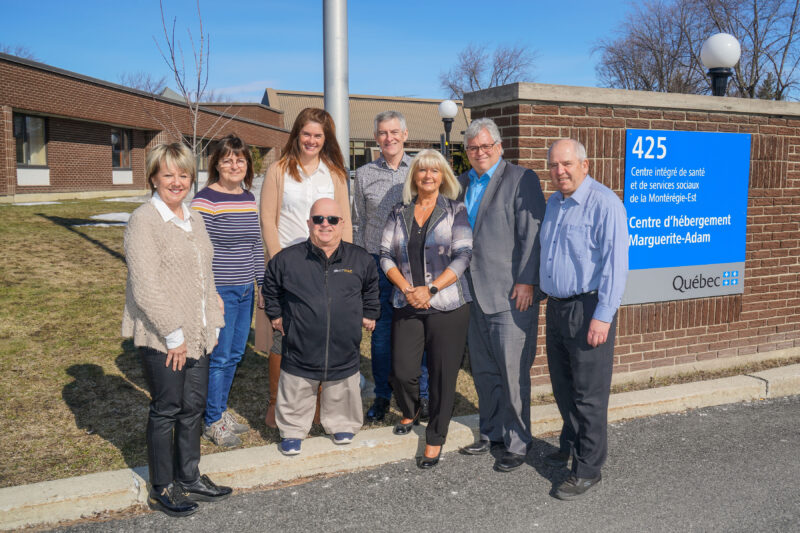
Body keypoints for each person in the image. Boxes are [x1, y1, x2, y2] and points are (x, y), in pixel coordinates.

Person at [122, 142, 231, 517]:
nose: (176, 181)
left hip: (198, 333)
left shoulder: (194, 217)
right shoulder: (144, 220)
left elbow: (207, 276)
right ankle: (162, 485)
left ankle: (189, 476)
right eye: (168, 174)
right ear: (153, 177)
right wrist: (174, 335)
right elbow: (145, 286)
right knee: (167, 408)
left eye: (183, 174)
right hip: (162, 336)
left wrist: (212, 325)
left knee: (193, 407)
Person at [540, 138, 628, 500]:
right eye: (554, 165)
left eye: (567, 164)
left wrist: (603, 317)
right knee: (563, 387)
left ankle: (589, 468)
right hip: (558, 308)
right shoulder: (554, 204)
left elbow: (615, 266)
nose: (560, 171)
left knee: (588, 394)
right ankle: (574, 444)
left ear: (584, 165)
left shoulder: (605, 204)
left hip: (588, 308)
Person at [456, 118, 546, 472]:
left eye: (486, 146)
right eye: (473, 148)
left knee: (513, 373)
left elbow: (532, 234)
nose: (480, 153)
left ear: (499, 146)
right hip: (472, 294)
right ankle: (491, 432)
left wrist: (527, 281)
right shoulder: (461, 182)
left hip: (511, 294)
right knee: (485, 371)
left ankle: (518, 442)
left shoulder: (521, 179)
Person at [262, 198, 379, 455]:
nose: (325, 224)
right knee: (297, 385)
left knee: (342, 385)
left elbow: (371, 286)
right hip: (301, 343)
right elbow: (270, 286)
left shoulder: (359, 259)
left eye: (332, 219)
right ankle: (292, 431)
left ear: (342, 224)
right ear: (309, 223)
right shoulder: (287, 259)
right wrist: (275, 314)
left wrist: (370, 312)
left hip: (343, 344)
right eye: (318, 219)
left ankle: (342, 424)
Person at [259, 107, 352, 428]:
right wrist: (277, 267)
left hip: (327, 268)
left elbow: (345, 222)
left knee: (322, 337)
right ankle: (275, 403)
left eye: (318, 135)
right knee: (282, 336)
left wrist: (347, 268)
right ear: (296, 135)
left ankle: (317, 405)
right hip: (289, 266)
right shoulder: (279, 171)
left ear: (326, 139)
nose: (311, 140)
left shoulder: (335, 174)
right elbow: (268, 222)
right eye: (306, 133)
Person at [380, 149, 472, 469]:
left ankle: (435, 438)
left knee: (442, 375)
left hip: (447, 304)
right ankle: (412, 408)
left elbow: (463, 256)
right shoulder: (398, 212)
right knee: (403, 371)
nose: (428, 176)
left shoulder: (455, 210)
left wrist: (430, 289)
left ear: (443, 176)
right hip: (406, 301)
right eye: (422, 171)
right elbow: (385, 256)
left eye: (434, 171)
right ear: (414, 176)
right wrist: (408, 290)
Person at [352, 110, 430, 422]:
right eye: (383, 133)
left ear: (406, 134)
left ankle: (421, 395)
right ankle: (383, 396)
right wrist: (360, 270)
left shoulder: (421, 169)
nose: (389, 138)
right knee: (382, 335)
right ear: (376, 138)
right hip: (375, 264)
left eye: (395, 132)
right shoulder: (364, 174)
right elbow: (358, 222)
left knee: (418, 331)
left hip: (413, 263)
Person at [190, 134, 263, 447]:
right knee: (219, 357)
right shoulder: (204, 201)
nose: (235, 164)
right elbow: (196, 251)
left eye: (240, 159)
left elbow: (255, 244)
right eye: (228, 159)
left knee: (235, 353)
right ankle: (211, 420)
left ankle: (218, 410)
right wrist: (209, 293)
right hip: (220, 291)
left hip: (246, 289)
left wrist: (261, 284)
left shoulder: (247, 197)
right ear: (216, 164)